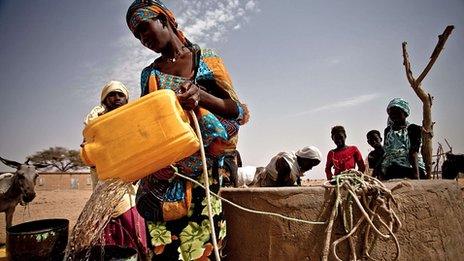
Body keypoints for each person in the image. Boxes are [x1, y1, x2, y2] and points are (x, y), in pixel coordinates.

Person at [126, 1, 249, 259]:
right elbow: (146, 122)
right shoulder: (150, 74)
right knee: (164, 253)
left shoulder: (205, 58)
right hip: (162, 180)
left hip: (203, 178)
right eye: (138, 36)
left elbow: (238, 111)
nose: (143, 38)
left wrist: (201, 96)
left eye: (145, 28)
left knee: (203, 250)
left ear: (164, 20)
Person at [83, 80, 148, 257]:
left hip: (128, 184)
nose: (117, 98)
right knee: (106, 229)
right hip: (105, 184)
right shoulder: (95, 121)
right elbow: (90, 154)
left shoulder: (131, 120)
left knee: (131, 222)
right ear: (104, 100)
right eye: (111, 95)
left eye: (121, 95)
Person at [382, 98, 426, 180]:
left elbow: (413, 152)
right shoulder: (388, 131)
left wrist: (416, 175)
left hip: (411, 167)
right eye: (391, 113)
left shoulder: (413, 128)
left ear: (405, 113)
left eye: (397, 112)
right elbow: (387, 152)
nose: (394, 115)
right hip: (393, 168)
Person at [250, 146, 322, 187]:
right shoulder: (287, 165)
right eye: (310, 164)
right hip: (258, 181)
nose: (311, 168)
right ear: (305, 158)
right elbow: (279, 189)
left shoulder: (297, 167)